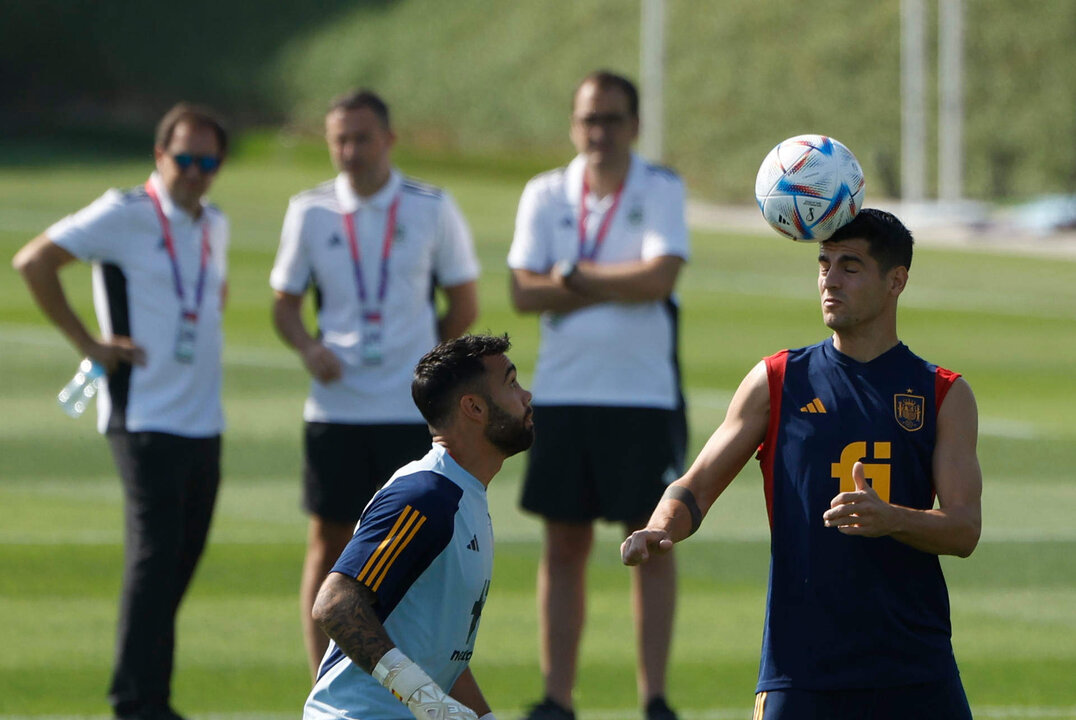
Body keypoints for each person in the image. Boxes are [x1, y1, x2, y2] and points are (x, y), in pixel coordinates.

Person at [622, 209, 982, 720]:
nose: (829, 281)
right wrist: (660, 529)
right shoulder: (777, 380)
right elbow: (695, 486)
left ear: (895, 281)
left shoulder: (942, 392)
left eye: (850, 266)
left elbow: (965, 529)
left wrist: (892, 519)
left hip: (915, 667)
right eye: (823, 264)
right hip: (801, 669)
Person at [12, 103, 230, 720]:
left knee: (180, 559)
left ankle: (148, 695)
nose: (193, 171)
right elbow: (34, 261)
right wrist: (89, 344)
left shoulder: (215, 222)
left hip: (204, 419)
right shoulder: (125, 212)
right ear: (160, 155)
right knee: (155, 557)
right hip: (144, 417)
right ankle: (138, 703)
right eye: (183, 158)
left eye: (206, 160)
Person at [270, 88, 481, 677]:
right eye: (339, 138)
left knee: (414, 549)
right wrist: (310, 347)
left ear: (388, 140)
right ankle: (323, 680)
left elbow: (463, 300)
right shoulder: (309, 210)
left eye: (362, 137)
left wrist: (425, 367)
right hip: (334, 408)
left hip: (408, 412)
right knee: (329, 541)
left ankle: (412, 673)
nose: (350, 150)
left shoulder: (430, 206)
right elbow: (284, 304)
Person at [507, 70, 689, 720]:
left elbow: (660, 277)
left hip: (641, 396)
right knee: (563, 545)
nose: (599, 133)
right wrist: (606, 282)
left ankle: (655, 698)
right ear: (573, 125)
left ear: (633, 126)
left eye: (611, 119)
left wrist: (576, 278)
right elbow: (523, 293)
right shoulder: (545, 192)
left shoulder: (660, 187)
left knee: (652, 540)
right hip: (562, 393)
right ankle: (557, 698)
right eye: (588, 119)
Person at [302, 333, 533, 720]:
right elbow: (336, 605)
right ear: (474, 407)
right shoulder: (426, 495)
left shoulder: (465, 497)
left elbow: (443, 655)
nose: (526, 396)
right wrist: (426, 700)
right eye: (511, 383)